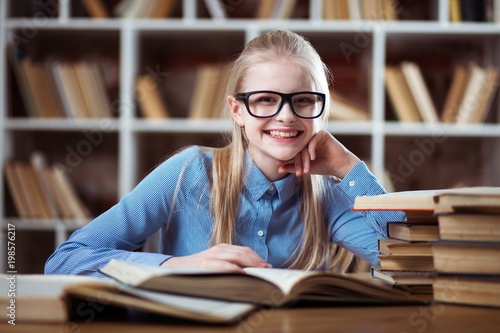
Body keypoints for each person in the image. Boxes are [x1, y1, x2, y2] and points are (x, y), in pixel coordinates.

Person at [45, 29, 403, 278]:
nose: (286, 116)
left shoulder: (325, 193)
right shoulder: (190, 172)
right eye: (265, 99)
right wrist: (176, 266)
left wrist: (347, 165)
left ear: (321, 111)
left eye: (304, 101)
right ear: (237, 110)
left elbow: (416, 263)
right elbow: (66, 261)